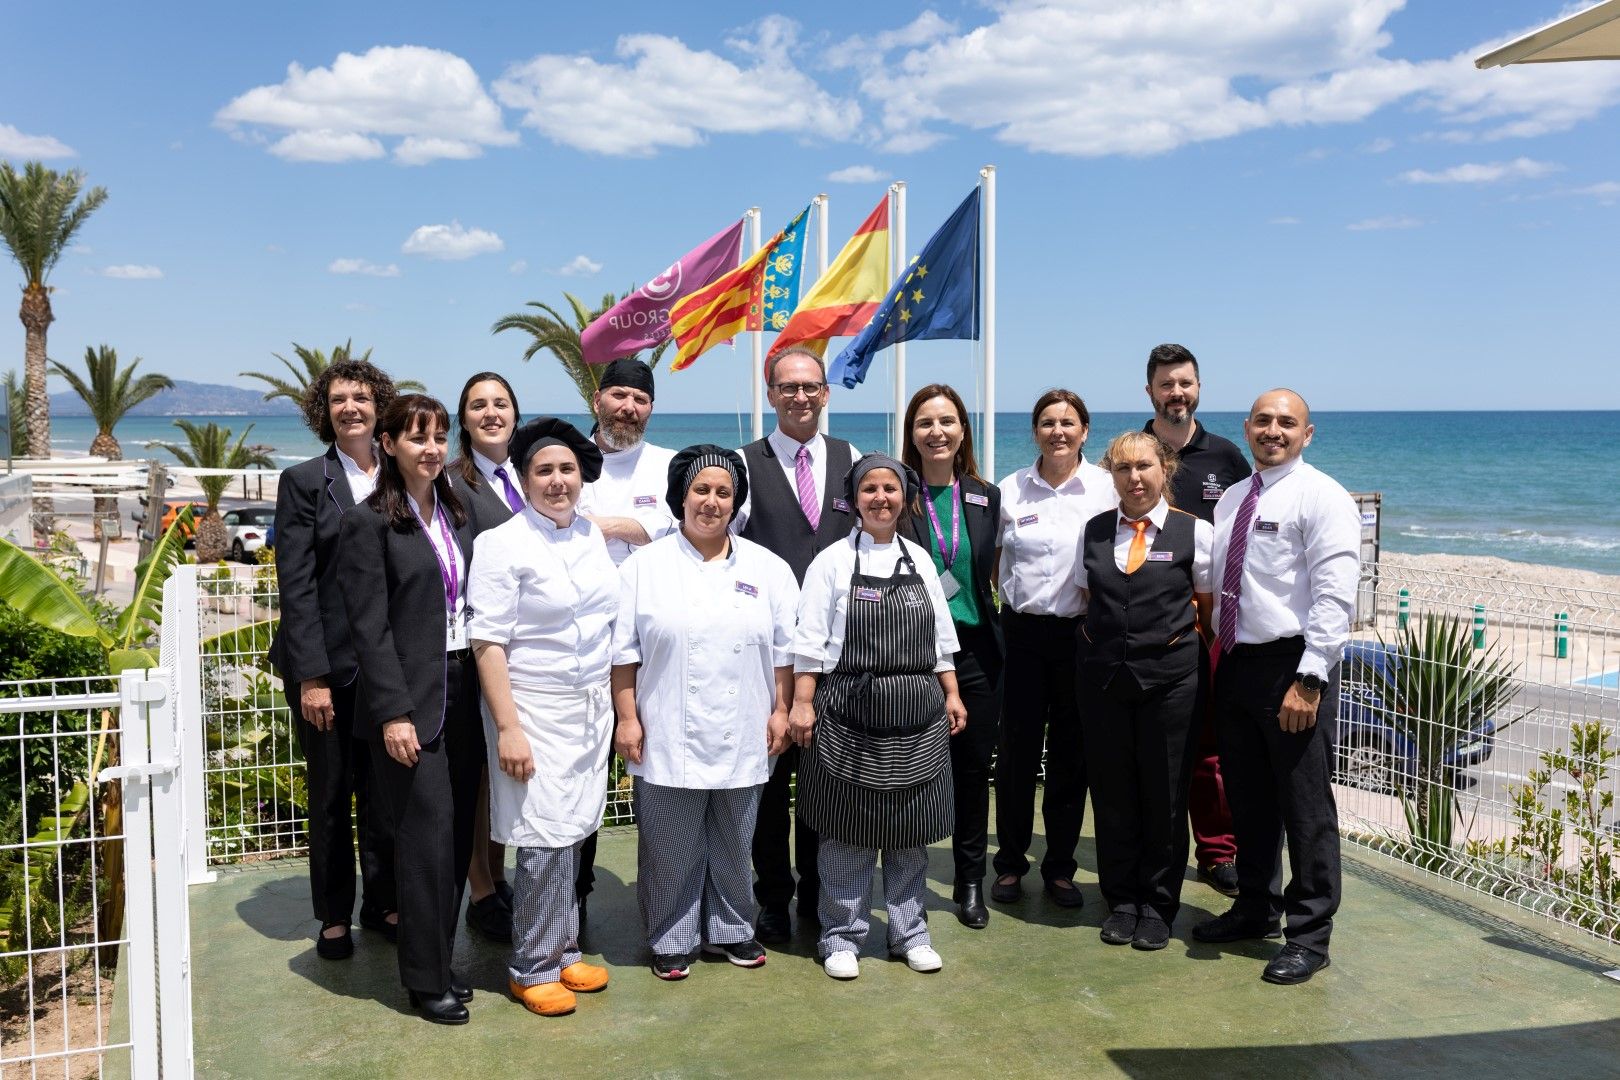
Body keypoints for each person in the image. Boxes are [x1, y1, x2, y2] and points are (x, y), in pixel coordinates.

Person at [611, 445, 798, 981]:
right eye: (701, 490)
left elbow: (783, 652)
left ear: (735, 501)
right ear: (681, 497)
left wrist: (781, 709)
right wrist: (628, 718)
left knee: (737, 842)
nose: (711, 502)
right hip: (666, 726)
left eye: (723, 492)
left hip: (745, 727)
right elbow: (623, 652)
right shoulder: (645, 567)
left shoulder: (768, 568)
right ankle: (671, 936)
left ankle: (733, 929)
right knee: (670, 845)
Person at [1192, 389, 1359, 986]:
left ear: (1307, 434)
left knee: (1305, 805)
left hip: (1293, 667)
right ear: (1247, 428)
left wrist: (1310, 679)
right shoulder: (1234, 498)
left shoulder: (1323, 497)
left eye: (1287, 422)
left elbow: (1337, 594)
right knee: (1249, 798)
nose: (1273, 430)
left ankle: (1310, 934)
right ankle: (1256, 907)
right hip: (1237, 662)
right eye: (1263, 421)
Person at [792, 454, 966, 980]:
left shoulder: (920, 560)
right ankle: (840, 936)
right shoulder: (830, 563)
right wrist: (803, 701)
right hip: (848, 714)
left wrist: (952, 695)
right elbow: (810, 643)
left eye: (890, 488)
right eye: (870, 488)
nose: (881, 498)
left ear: (904, 497)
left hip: (918, 717)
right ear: (854, 498)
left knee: (909, 836)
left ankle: (910, 934)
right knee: (846, 833)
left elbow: (941, 641)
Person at [339, 395, 484, 1024]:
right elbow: (368, 631)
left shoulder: (456, 510)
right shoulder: (369, 524)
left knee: (454, 842)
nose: (430, 449)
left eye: (439, 437)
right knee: (424, 841)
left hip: (465, 689)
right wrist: (393, 713)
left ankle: (440, 958)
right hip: (409, 703)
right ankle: (424, 982)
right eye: (416, 437)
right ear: (389, 443)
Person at [468, 417, 615, 1018]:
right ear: (525, 480)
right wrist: (508, 725)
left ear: (581, 477)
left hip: (589, 710)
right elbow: (488, 642)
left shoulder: (590, 536)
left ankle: (564, 952)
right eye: (544, 471)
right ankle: (530, 967)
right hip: (531, 707)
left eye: (566, 470)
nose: (557, 481)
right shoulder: (501, 543)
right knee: (539, 839)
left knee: (575, 831)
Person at [269, 358, 398, 961]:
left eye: (363, 397)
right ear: (325, 410)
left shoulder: (401, 475)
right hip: (327, 669)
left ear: (380, 407)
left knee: (383, 795)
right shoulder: (302, 482)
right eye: (340, 398)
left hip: (388, 668)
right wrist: (311, 676)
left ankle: (382, 902)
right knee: (329, 796)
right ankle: (333, 918)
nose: (352, 407)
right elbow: (294, 586)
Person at [735, 345, 860, 943]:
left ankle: (819, 891)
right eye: (787, 387)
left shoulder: (850, 458)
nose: (800, 396)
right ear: (771, 395)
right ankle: (772, 899)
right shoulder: (743, 463)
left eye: (810, 386)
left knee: (823, 785)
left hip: (834, 659)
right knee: (768, 786)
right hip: (768, 659)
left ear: (826, 393)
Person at [1077, 431, 1213, 951]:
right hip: (1104, 679)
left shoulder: (1194, 532)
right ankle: (1122, 900)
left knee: (1165, 794)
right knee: (1112, 794)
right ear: (1111, 475)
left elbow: (1205, 608)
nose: (1134, 479)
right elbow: (1087, 596)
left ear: (1165, 470)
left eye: (1144, 467)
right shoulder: (1093, 531)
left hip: (1171, 682)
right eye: (1122, 469)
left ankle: (1158, 904)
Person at [991, 389, 1118, 909]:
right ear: (1035, 431)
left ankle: (1061, 868)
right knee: (1016, 756)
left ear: (1085, 431)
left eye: (1068, 422)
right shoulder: (1011, 490)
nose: (1058, 431)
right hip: (1020, 635)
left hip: (1080, 638)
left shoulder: (1107, 490)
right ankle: (1009, 865)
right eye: (1047, 422)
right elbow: (990, 561)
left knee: (1072, 756)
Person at [1142, 343, 1251, 897]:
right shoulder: (1134, 455)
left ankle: (1216, 851)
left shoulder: (1228, 458)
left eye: (1184, 383)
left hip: (1207, 623)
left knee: (1209, 747)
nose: (1176, 393)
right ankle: (1149, 851)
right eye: (1166, 384)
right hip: (1146, 626)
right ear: (1150, 392)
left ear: (1198, 388)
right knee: (1153, 749)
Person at [574, 357, 676, 924]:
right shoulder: (569, 460)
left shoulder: (666, 466)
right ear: (597, 400)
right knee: (582, 772)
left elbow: (674, 529)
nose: (628, 409)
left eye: (639, 401)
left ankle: (664, 898)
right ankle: (575, 894)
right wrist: (634, 529)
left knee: (654, 775)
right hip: (579, 647)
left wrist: (600, 525)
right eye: (618, 396)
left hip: (649, 648)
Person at [898, 384, 1002, 930]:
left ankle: (968, 883)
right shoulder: (896, 495)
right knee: (910, 772)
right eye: (925, 423)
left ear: (962, 430)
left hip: (978, 653)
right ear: (911, 434)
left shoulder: (987, 496)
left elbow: (995, 571)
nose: (936, 432)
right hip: (914, 657)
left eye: (947, 421)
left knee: (970, 772)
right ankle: (904, 883)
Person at [452, 371, 522, 944]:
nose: (491, 413)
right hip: (483, 643)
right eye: (479, 405)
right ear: (464, 419)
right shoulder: (454, 482)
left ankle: (500, 876)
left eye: (501, 403)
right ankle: (481, 889)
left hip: (533, 650)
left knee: (505, 771)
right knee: (479, 773)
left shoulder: (532, 472)